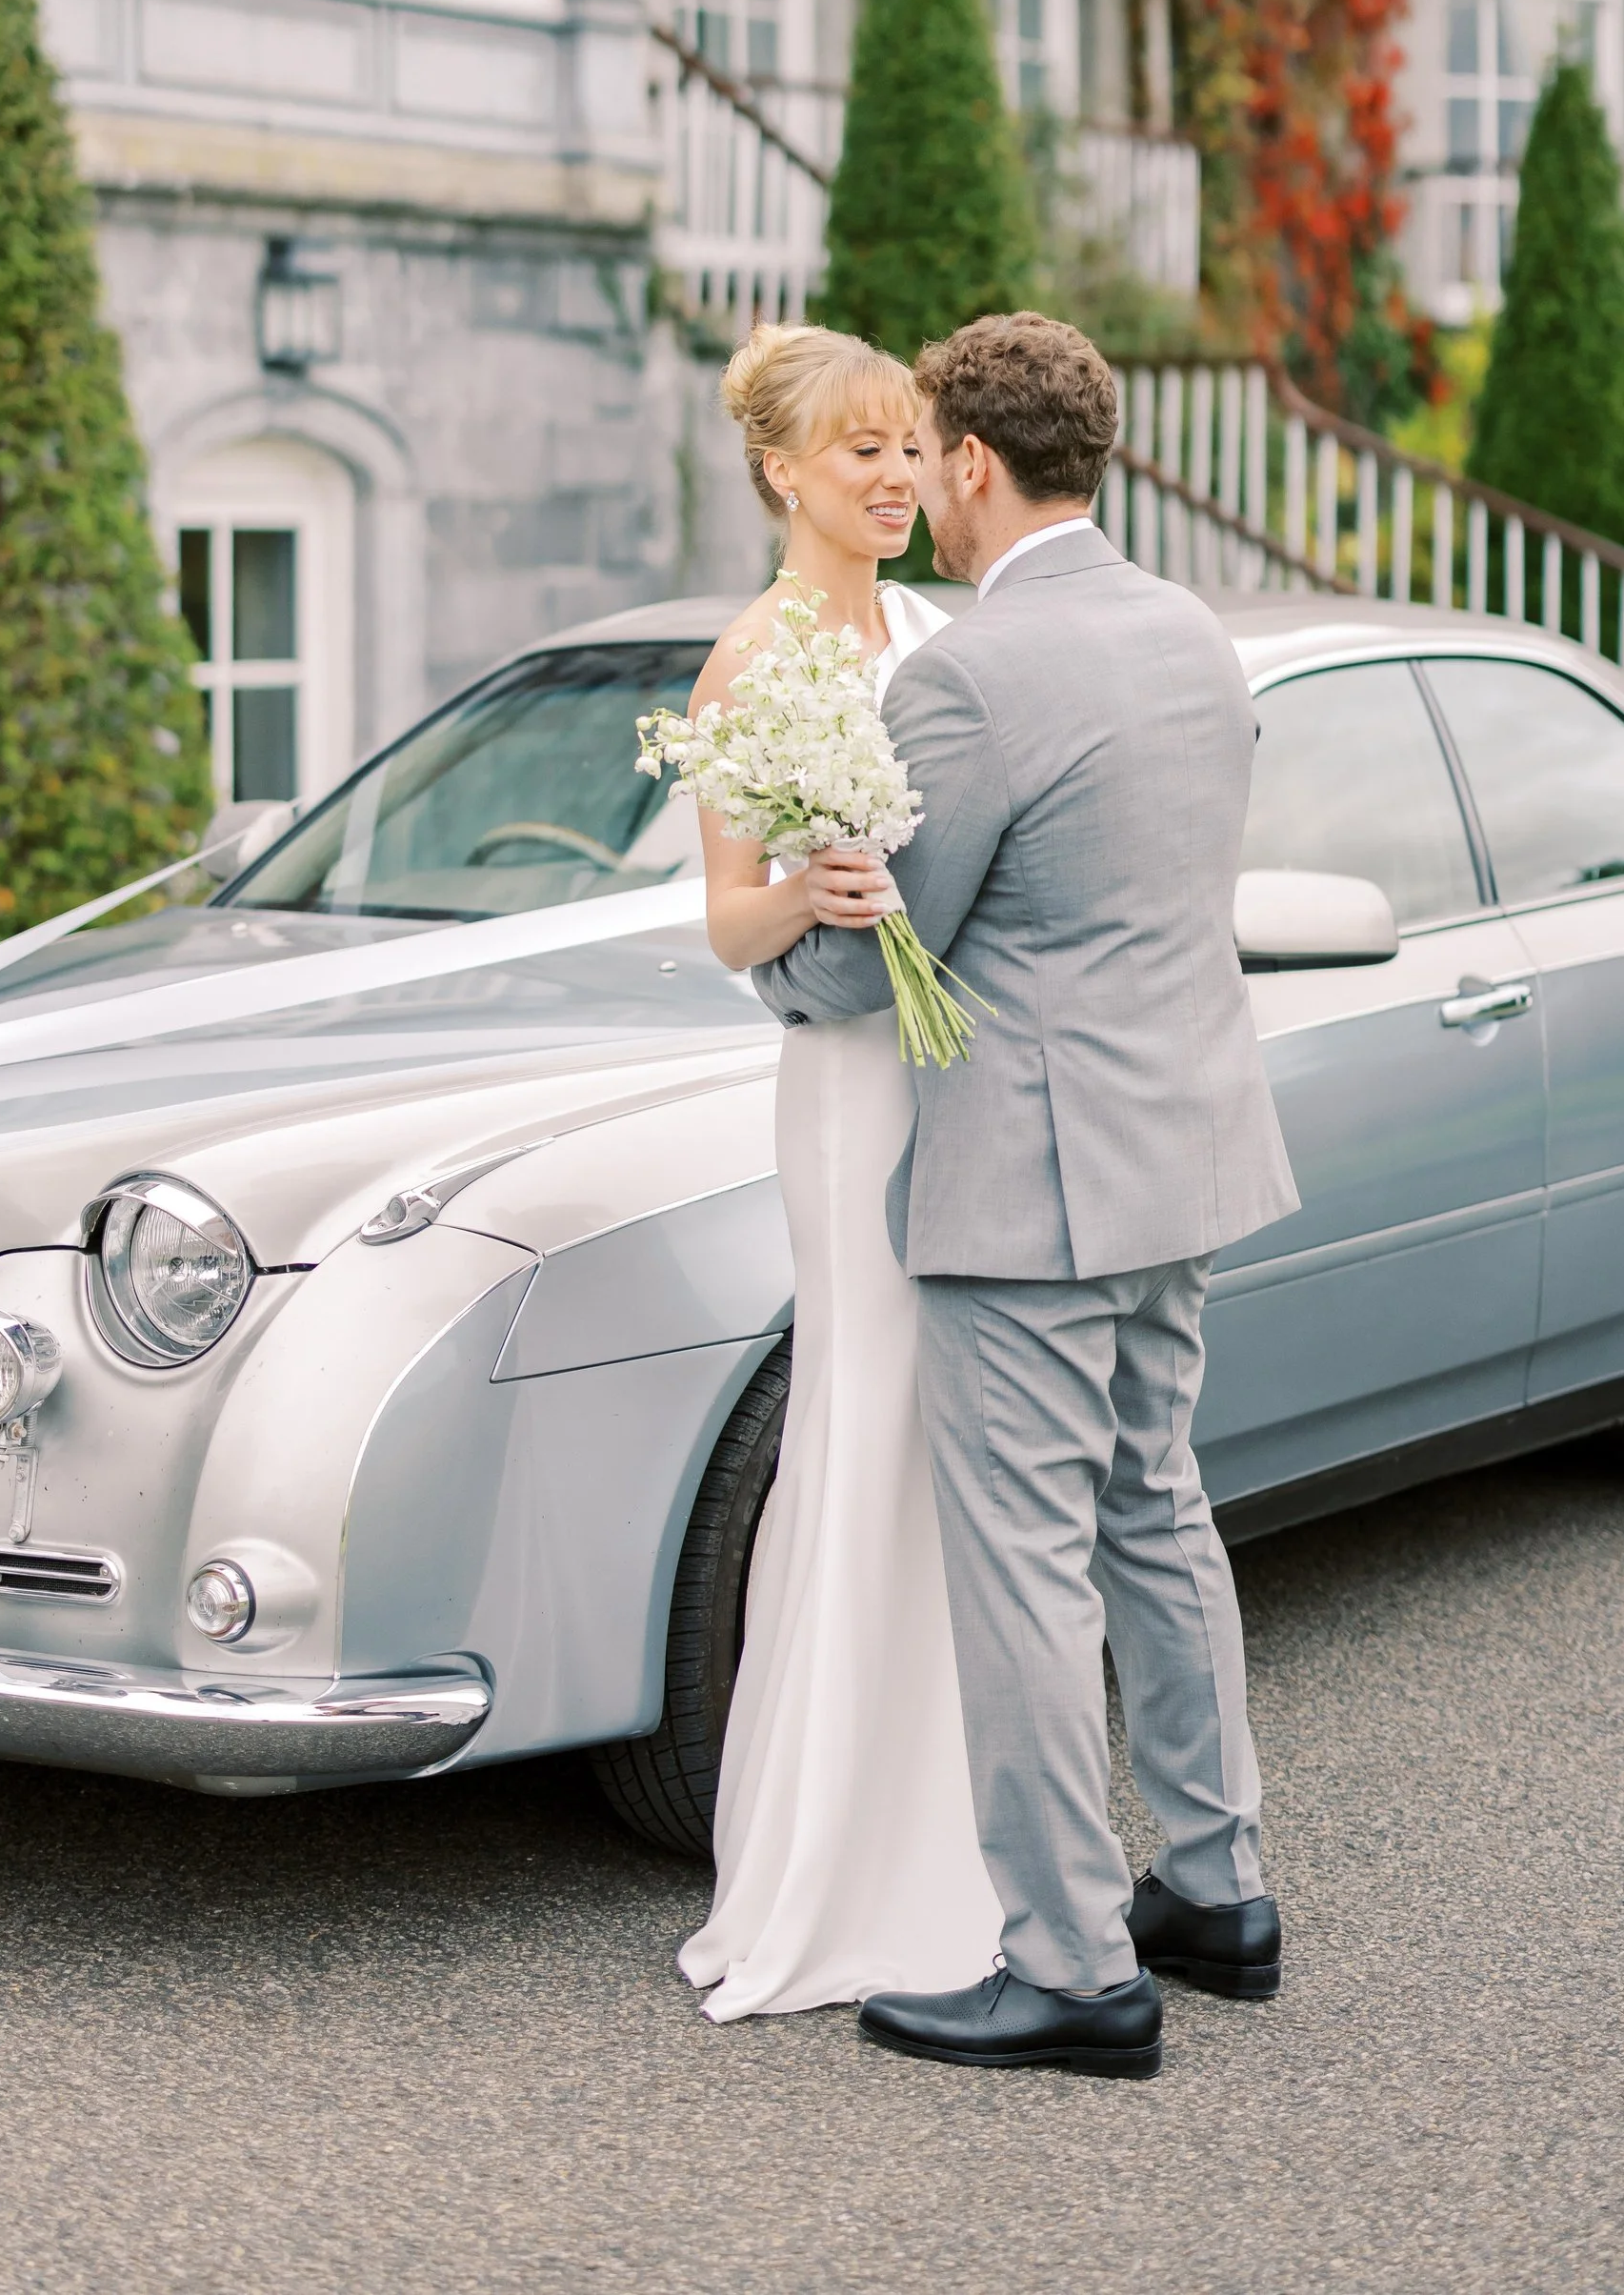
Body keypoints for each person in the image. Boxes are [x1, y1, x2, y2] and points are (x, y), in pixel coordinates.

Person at [754, 311, 1299, 2081]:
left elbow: (867, 962)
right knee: (1158, 1506)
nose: (921, 482)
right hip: (1185, 1152)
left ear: (974, 464)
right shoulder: (1194, 637)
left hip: (1035, 1182)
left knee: (1027, 1565)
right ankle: (1217, 1889)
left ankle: (1072, 1959)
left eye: (931, 454)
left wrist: (777, 961)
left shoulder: (970, 675)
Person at [676, 321, 1004, 2023]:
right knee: (860, 1426)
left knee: (941, 1443)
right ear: (783, 471)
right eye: (860, 451)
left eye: (909, 447)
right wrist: (823, 887)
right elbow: (729, 918)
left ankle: (960, 1845)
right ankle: (836, 1878)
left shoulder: (935, 630)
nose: (894, 476)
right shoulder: (757, 657)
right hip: (845, 1087)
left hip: (954, 1075)